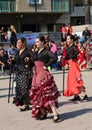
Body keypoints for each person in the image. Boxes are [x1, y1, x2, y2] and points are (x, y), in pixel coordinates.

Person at [29, 36, 60, 123]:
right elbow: (33, 61)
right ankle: (43, 113)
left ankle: (55, 114)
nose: (36, 43)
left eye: (38, 41)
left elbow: (54, 57)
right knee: (37, 94)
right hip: (36, 73)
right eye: (36, 42)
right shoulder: (36, 51)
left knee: (47, 94)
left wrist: (47, 65)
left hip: (42, 73)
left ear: (42, 42)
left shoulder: (46, 51)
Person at [9, 37, 33, 111]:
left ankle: (27, 104)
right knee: (20, 88)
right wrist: (11, 61)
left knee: (25, 88)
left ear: (23, 43)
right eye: (17, 42)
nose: (17, 44)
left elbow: (34, 58)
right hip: (19, 71)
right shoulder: (17, 52)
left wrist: (29, 60)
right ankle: (25, 104)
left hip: (26, 71)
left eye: (19, 42)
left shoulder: (28, 51)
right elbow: (16, 61)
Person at [63, 34, 88, 101]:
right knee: (72, 80)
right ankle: (76, 95)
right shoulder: (68, 47)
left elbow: (77, 52)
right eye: (67, 39)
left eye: (68, 39)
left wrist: (69, 57)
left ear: (72, 40)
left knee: (77, 80)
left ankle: (84, 95)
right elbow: (68, 56)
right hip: (71, 65)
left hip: (74, 64)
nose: (67, 40)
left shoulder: (73, 47)